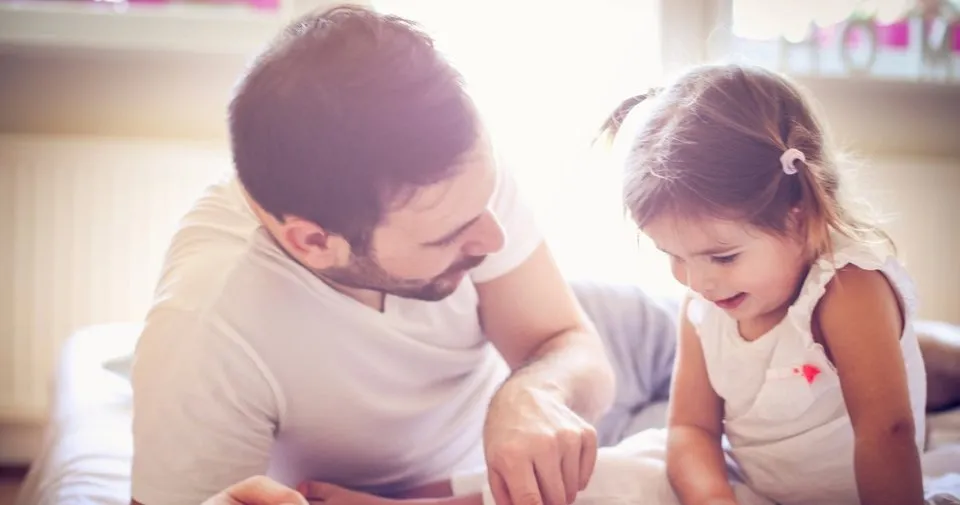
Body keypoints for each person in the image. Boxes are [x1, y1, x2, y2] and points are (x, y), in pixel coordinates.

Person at [281, 62, 951, 505]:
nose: (694, 280)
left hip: (869, 491)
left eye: (720, 255)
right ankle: (420, 501)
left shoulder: (846, 289)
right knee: (607, 469)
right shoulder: (704, 305)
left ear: (799, 214)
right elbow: (690, 428)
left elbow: (887, 430)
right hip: (746, 486)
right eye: (672, 256)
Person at [128, 5, 620, 505]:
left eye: (488, 203)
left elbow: (577, 350)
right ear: (314, 242)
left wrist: (533, 392)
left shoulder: (458, 184)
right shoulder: (208, 326)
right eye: (445, 238)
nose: (493, 240)